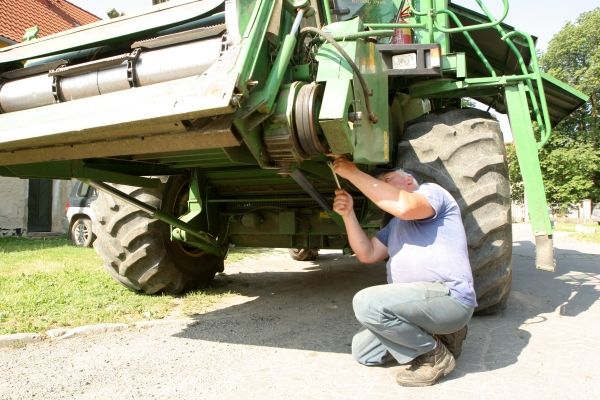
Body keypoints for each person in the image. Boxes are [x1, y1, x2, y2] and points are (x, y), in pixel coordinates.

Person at [331, 156, 477, 387]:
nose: (382, 186)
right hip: (415, 305)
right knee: (364, 353)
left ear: (409, 179)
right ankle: (442, 335)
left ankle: (434, 355)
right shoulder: (395, 226)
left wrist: (351, 173)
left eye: (388, 180)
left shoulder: (433, 193)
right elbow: (367, 254)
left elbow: (406, 206)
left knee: (367, 303)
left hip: (449, 298)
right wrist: (348, 214)